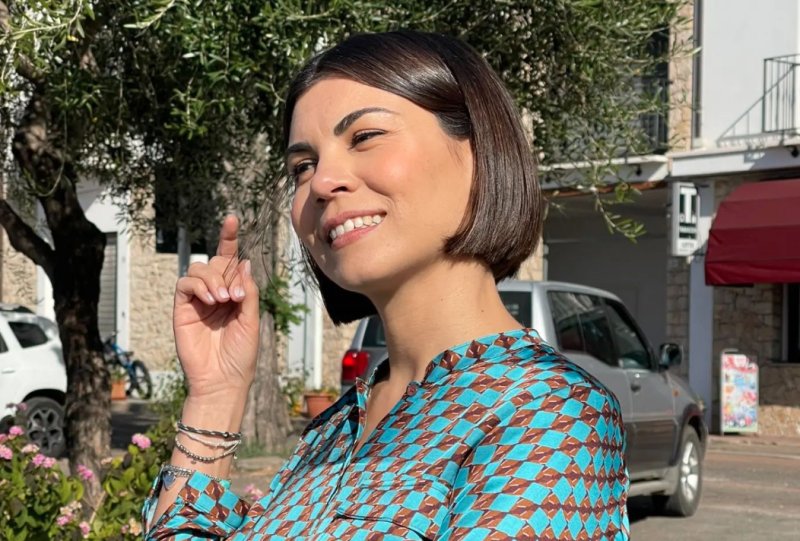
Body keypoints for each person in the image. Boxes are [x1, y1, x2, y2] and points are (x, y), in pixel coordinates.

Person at [143, 30, 629, 541]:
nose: (322, 182)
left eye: (365, 137)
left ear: (478, 153)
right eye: (303, 166)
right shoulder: (334, 429)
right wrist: (216, 395)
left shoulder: (548, 413)